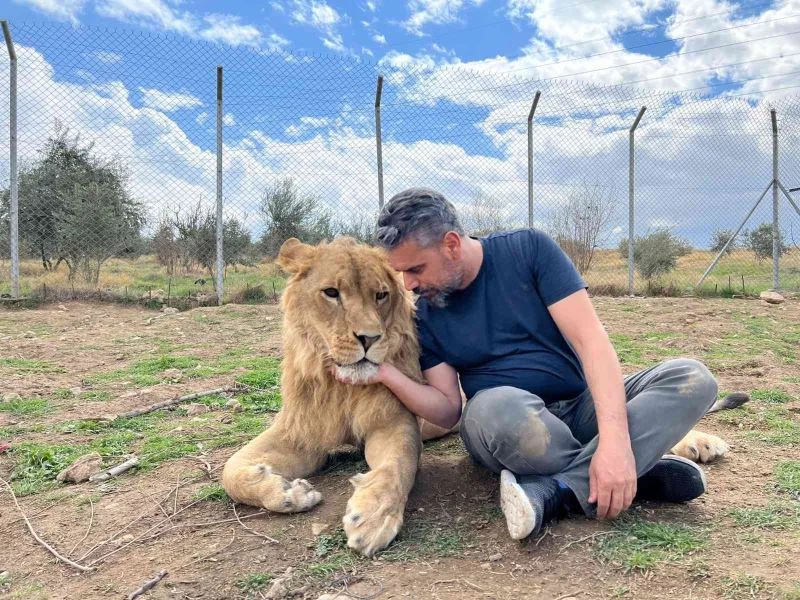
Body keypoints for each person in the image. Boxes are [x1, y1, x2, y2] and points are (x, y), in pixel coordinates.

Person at [335, 187, 718, 540]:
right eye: (401, 272)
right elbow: (449, 410)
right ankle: (630, 474)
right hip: (507, 428)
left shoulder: (530, 251)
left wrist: (616, 444)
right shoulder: (428, 315)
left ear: (451, 244)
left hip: (579, 409)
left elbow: (593, 344)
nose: (408, 285)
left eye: (416, 269)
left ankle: (562, 490)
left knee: (692, 378)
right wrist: (384, 374)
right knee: (496, 408)